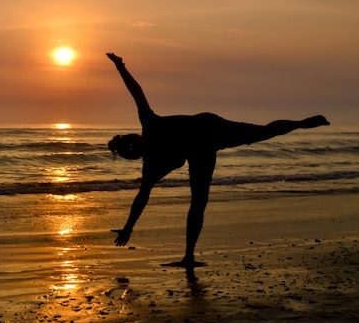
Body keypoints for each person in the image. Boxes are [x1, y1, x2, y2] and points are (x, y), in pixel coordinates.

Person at [106, 52, 330, 269]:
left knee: (263, 132)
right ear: (134, 155)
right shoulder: (152, 166)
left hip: (210, 128)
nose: (135, 143)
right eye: (131, 148)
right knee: (199, 202)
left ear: (134, 135)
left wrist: (120, 66)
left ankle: (301, 123)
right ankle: (189, 257)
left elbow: (136, 92)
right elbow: (142, 197)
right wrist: (128, 228)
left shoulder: (150, 124)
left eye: (131, 139)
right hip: (201, 152)